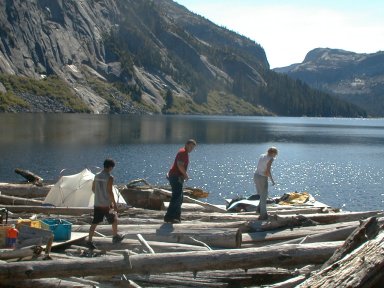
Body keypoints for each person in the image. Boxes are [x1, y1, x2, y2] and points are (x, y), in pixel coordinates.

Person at [87, 158, 124, 249]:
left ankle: (89, 241)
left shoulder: (96, 175)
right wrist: (114, 204)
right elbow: (110, 192)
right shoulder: (109, 177)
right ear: (110, 167)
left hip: (97, 203)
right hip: (106, 204)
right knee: (114, 219)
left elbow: (93, 189)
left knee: (95, 222)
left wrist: (99, 194)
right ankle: (115, 237)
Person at [164, 139, 197, 223]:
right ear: (186, 144)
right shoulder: (182, 152)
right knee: (176, 197)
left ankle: (176, 217)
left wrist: (183, 175)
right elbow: (179, 165)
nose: (191, 149)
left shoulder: (184, 153)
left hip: (177, 177)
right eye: (190, 146)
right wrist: (186, 175)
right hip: (175, 177)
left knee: (180, 198)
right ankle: (169, 217)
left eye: (193, 147)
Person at [254, 147, 278, 220]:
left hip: (256, 175)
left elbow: (260, 166)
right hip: (262, 177)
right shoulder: (271, 158)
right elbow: (268, 170)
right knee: (264, 195)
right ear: (273, 153)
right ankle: (263, 215)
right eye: (275, 153)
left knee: (261, 194)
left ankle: (259, 209)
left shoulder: (262, 155)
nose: (276, 155)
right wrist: (272, 180)